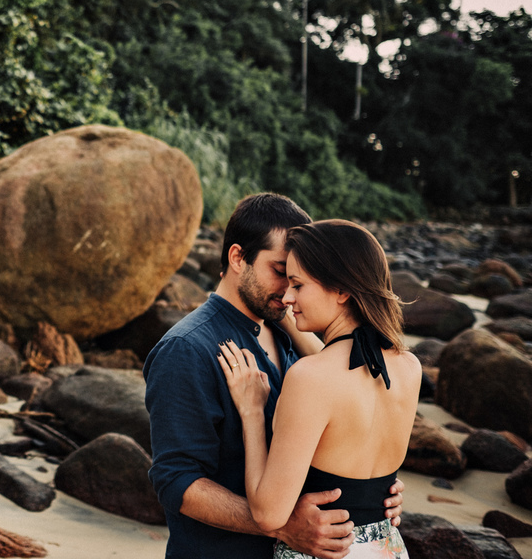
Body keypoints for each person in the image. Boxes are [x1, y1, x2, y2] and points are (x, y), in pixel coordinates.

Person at [144, 193, 404, 559]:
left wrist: (368, 494)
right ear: (238, 258)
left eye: (299, 278)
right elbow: (176, 481)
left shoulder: (288, 331)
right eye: (281, 272)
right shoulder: (187, 349)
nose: (288, 292)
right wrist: (282, 526)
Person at [219, 219, 421, 558]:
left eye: (298, 285)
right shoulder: (408, 366)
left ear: (342, 290)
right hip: (386, 549)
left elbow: (269, 515)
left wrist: (252, 413)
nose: (287, 297)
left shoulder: (310, 378)